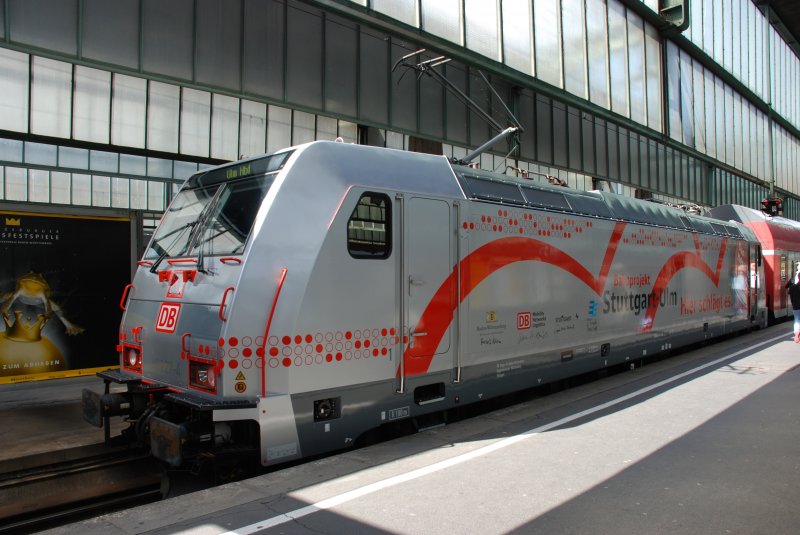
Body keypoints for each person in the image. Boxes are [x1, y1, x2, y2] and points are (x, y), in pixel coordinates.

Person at [786, 264, 800, 343]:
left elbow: (789, 293)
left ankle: (796, 335)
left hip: (795, 306)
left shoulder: (793, 287)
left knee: (797, 320)